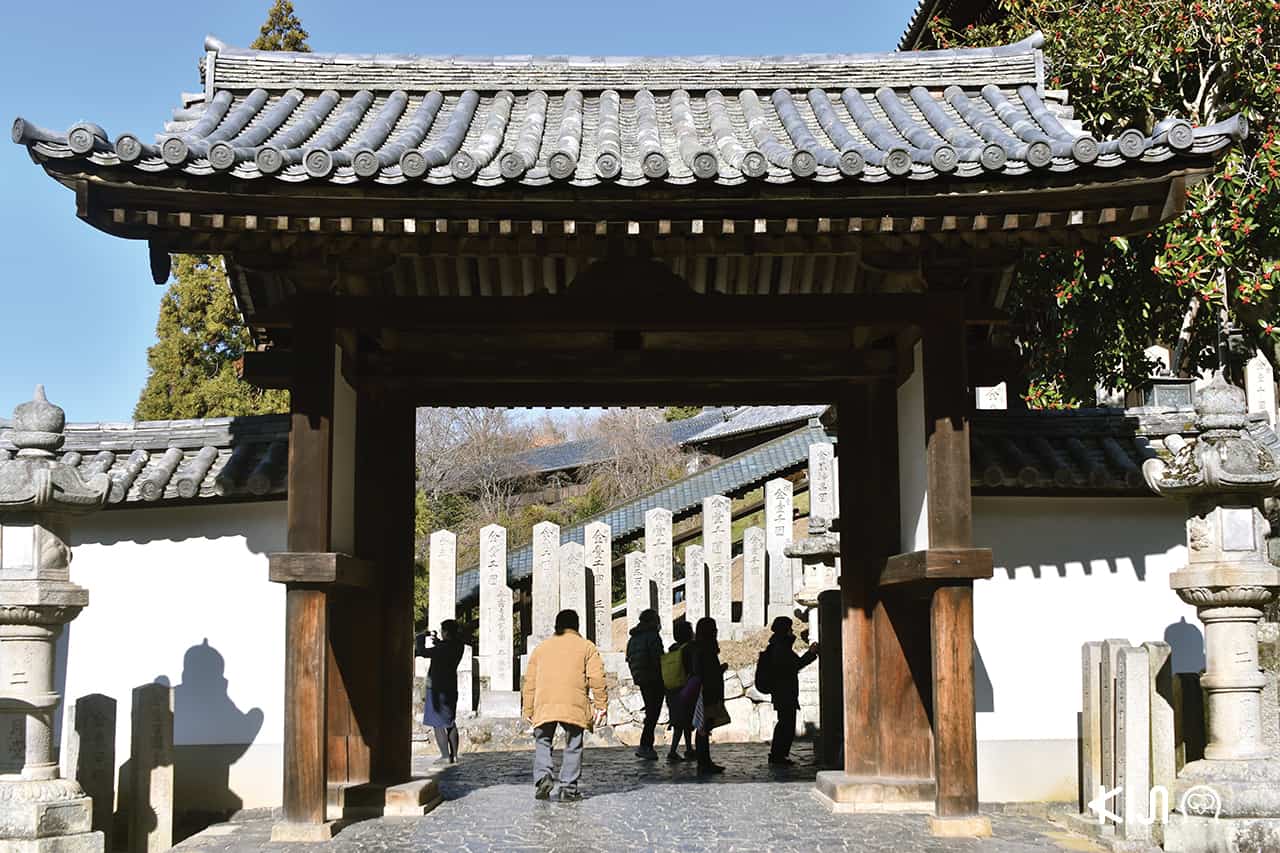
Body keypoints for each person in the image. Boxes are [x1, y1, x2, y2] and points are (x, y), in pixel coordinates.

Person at [522, 609, 607, 801]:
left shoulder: (541, 648)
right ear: (577, 626)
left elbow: (530, 681)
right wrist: (601, 704)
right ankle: (568, 789)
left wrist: (528, 708)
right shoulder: (587, 647)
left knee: (542, 741)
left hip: (544, 704)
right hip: (574, 703)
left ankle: (543, 776)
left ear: (556, 626)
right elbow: (597, 677)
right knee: (573, 745)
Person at [764, 616, 819, 765]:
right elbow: (795, 665)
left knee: (785, 723)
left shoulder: (777, 646)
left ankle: (779, 755)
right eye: (790, 629)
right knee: (786, 724)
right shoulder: (780, 648)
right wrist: (811, 653)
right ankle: (778, 755)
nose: (792, 632)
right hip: (784, 691)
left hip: (782, 691)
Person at [415, 620, 466, 764]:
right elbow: (446, 648)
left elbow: (423, 652)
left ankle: (444, 756)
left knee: (437, 723)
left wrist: (420, 637)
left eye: (443, 631)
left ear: (447, 633)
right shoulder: (458, 645)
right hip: (451, 687)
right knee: (450, 721)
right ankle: (454, 755)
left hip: (436, 688)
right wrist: (438, 642)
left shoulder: (443, 648)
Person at [625, 608, 665, 760]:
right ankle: (645, 745)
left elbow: (629, 658)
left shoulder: (633, 638)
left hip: (641, 677)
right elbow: (658, 658)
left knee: (650, 711)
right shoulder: (652, 636)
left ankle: (646, 745)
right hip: (654, 677)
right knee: (653, 712)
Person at [691, 616, 727, 774]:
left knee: (704, 727)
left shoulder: (699, 647)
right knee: (703, 728)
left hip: (705, 691)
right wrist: (719, 670)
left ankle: (705, 761)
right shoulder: (705, 649)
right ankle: (704, 762)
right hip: (706, 693)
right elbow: (706, 673)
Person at [664, 620, 696, 762]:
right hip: (685, 688)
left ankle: (689, 749)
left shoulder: (672, 649)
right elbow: (691, 670)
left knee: (680, 720)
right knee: (684, 721)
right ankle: (673, 751)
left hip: (671, 689)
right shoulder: (689, 649)